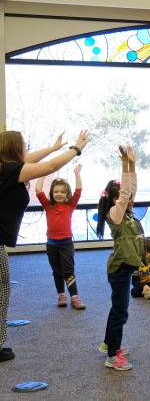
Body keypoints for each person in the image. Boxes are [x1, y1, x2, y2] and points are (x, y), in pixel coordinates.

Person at [0, 129, 90, 363]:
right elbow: (49, 167)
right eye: (23, 146)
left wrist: (53, 147)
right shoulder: (9, 170)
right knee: (1, 289)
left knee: (2, 288)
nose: (26, 150)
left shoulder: (5, 167)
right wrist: (77, 148)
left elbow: (37, 160)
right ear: (15, 149)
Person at [97, 146, 144, 371]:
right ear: (117, 200)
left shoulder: (127, 213)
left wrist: (131, 164)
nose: (130, 199)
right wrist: (124, 166)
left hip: (124, 269)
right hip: (120, 270)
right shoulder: (115, 214)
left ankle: (108, 344)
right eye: (125, 198)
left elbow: (129, 189)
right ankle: (113, 357)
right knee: (120, 311)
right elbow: (126, 193)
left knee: (118, 309)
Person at [35, 164, 86, 309]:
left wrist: (77, 174)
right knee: (57, 271)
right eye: (56, 191)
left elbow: (78, 191)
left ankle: (75, 298)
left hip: (66, 245)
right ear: (52, 193)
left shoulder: (70, 205)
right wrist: (44, 172)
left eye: (62, 192)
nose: (59, 194)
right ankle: (61, 295)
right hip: (51, 245)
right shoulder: (47, 205)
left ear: (67, 194)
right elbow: (38, 190)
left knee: (68, 271)